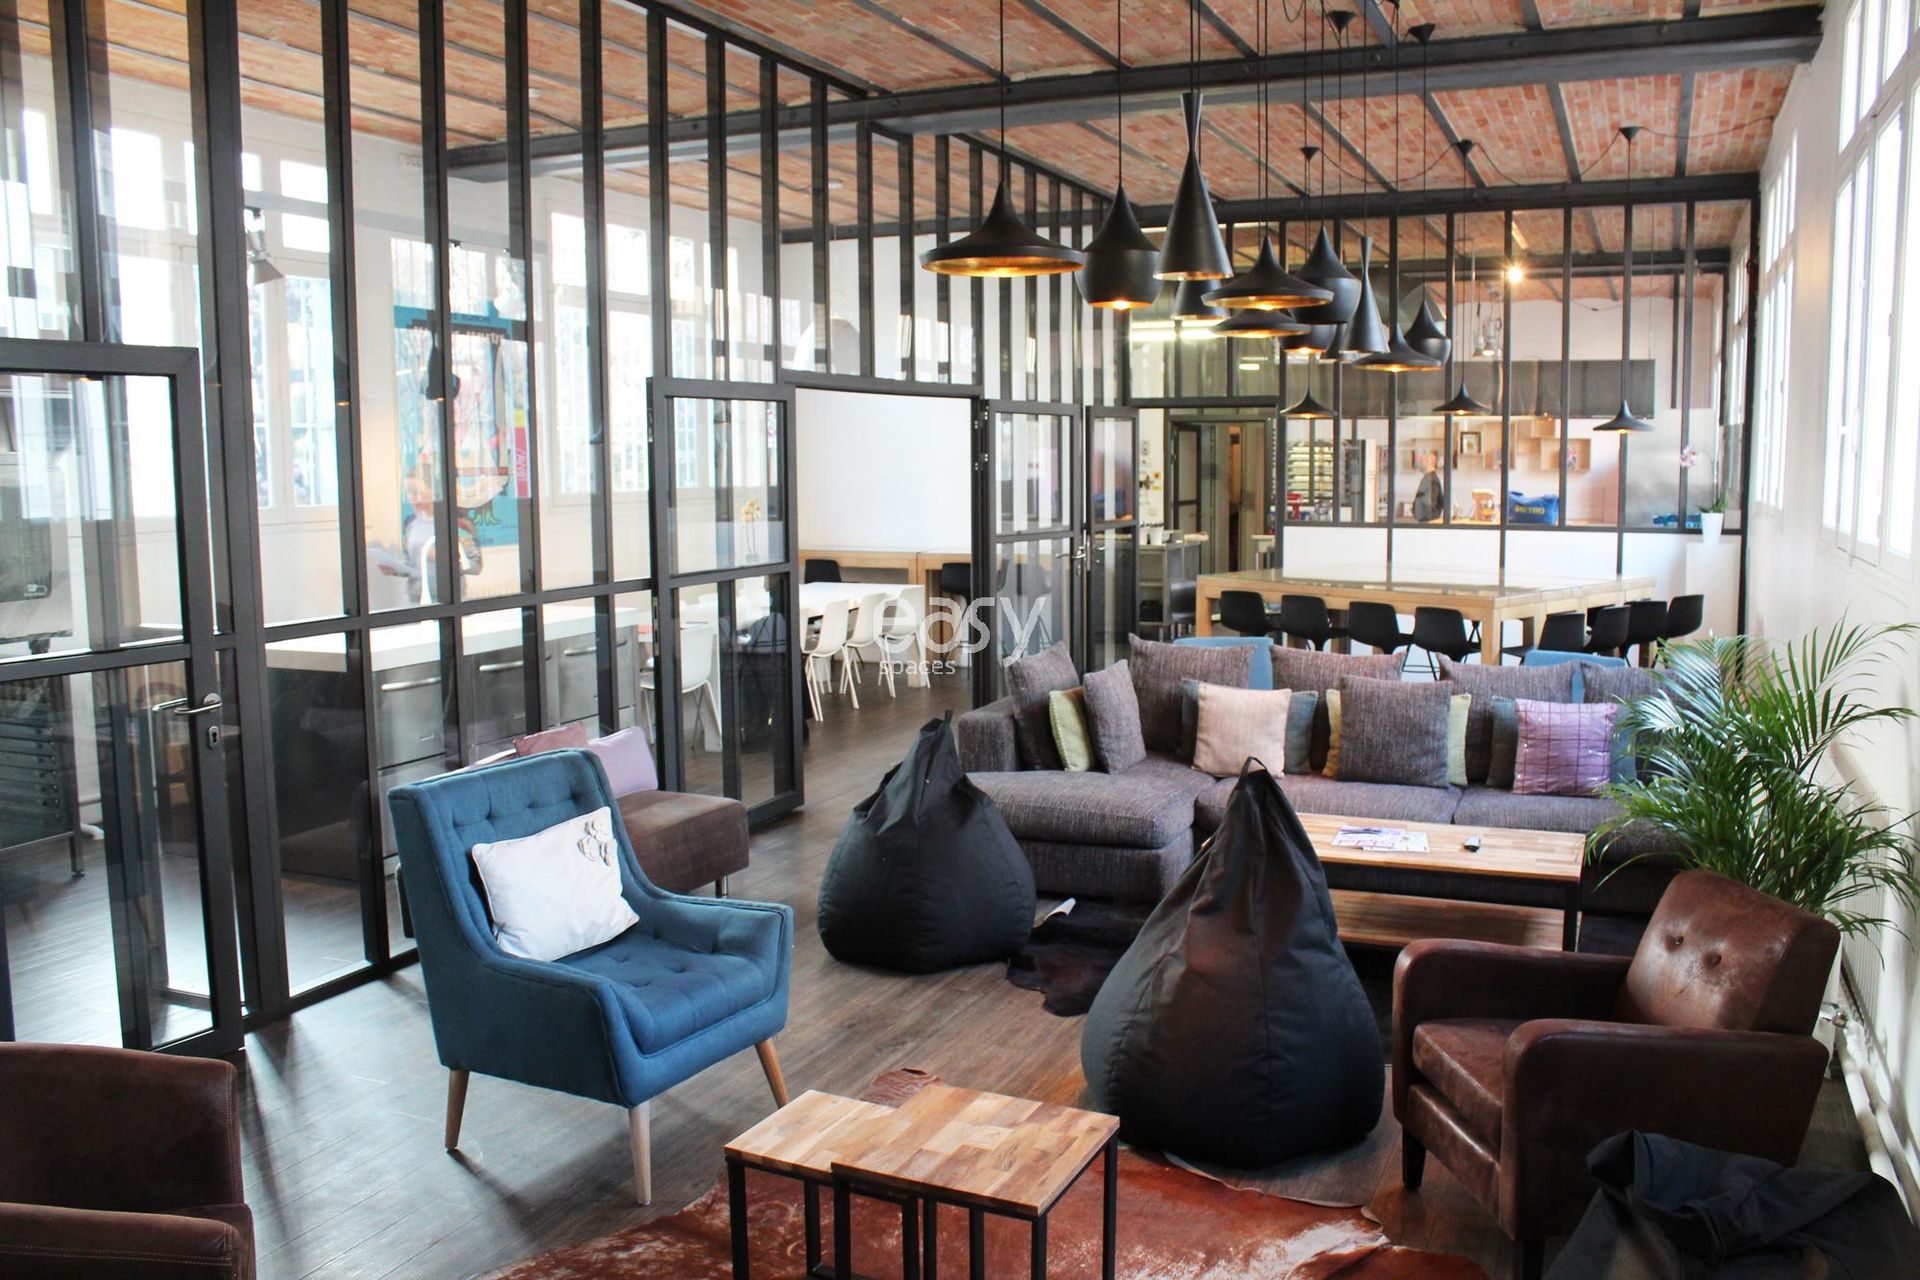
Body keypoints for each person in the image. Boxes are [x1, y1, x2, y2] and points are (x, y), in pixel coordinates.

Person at [1411, 450, 1446, 523]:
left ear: (1428, 462)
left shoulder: (1432, 480)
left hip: (1428, 522)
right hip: (1424, 521)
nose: (1419, 463)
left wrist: (1427, 518)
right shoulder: (1428, 479)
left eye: (1421, 461)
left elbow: (1432, 502)